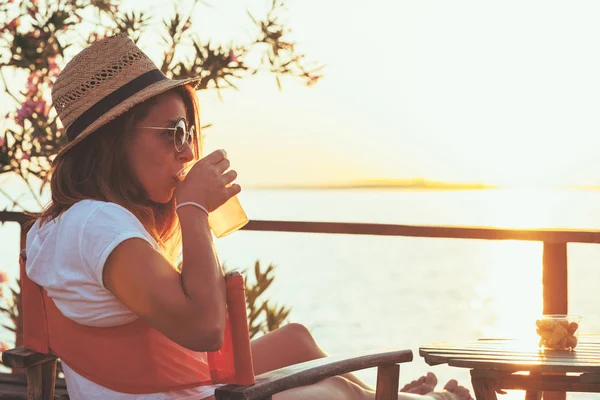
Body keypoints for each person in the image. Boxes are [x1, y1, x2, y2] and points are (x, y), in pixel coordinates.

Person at [24, 34, 473, 400]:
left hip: (161, 385)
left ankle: (392, 398)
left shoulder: (56, 228)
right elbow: (203, 328)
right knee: (337, 387)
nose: (187, 150)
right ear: (113, 142)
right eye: (173, 133)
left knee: (296, 339)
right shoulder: (99, 224)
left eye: (190, 132)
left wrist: (186, 216)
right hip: (185, 396)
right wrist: (193, 210)